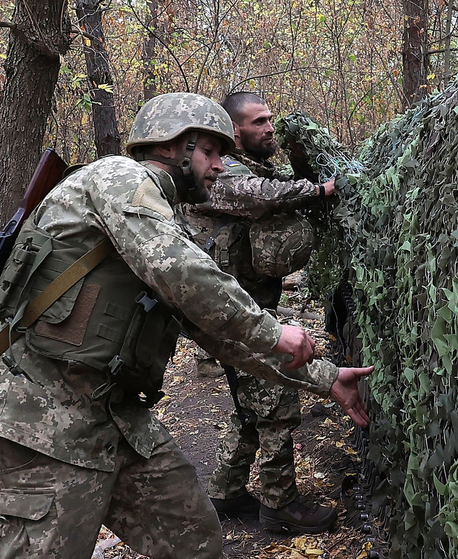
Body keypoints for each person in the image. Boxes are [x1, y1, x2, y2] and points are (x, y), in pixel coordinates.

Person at [0, 92, 372, 559]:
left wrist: (324, 379)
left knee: (194, 540)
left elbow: (213, 330)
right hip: (38, 419)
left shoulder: (165, 218)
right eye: (210, 152)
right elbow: (182, 272)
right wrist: (273, 330)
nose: (220, 166)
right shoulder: (118, 177)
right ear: (170, 146)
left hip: (113, 418)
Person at [176, 92, 339, 534]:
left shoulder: (251, 168)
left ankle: (226, 491)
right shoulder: (222, 176)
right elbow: (259, 196)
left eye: (271, 119)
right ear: (235, 132)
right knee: (277, 404)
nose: (270, 127)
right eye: (259, 121)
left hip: (244, 307)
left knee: (249, 406)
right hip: (236, 314)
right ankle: (280, 505)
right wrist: (321, 189)